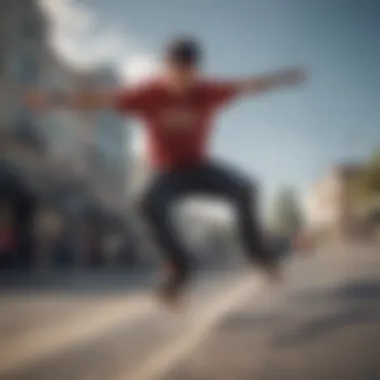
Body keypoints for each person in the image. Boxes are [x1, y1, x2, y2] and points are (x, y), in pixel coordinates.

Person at [25, 36, 307, 309]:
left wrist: (284, 78)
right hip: (167, 172)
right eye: (176, 74)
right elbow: (100, 98)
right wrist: (53, 99)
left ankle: (258, 255)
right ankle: (178, 266)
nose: (181, 82)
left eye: (188, 75)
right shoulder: (148, 93)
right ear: (166, 69)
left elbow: (248, 86)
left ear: (196, 71)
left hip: (198, 167)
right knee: (146, 201)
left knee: (246, 188)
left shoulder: (209, 91)